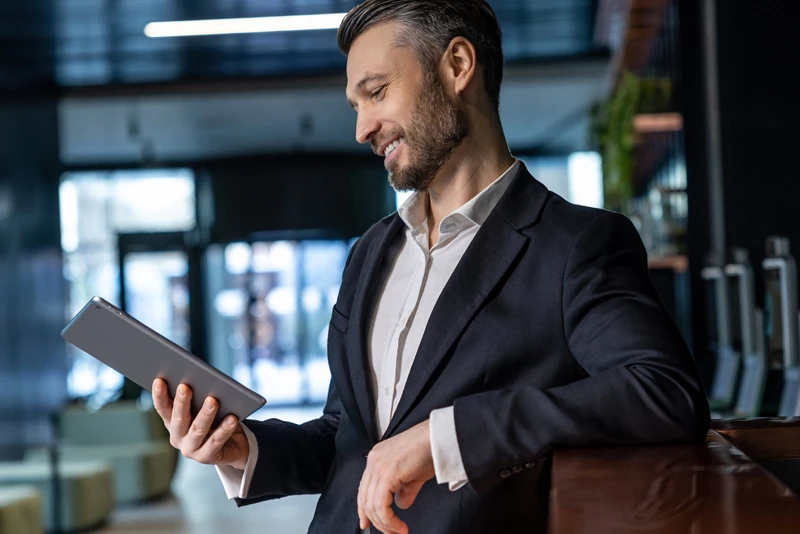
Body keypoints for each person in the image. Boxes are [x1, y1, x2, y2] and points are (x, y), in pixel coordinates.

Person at [152, 1, 710, 533]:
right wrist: (244, 447)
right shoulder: (370, 252)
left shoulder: (576, 244)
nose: (362, 129)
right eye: (356, 105)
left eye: (376, 93)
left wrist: (448, 438)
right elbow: (350, 438)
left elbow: (664, 393)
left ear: (458, 65)